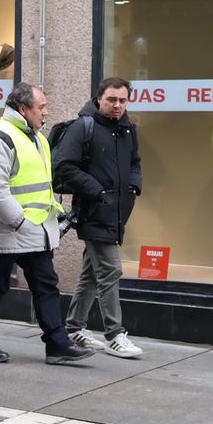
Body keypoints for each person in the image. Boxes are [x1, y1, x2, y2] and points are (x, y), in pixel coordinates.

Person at [0, 82, 94, 366]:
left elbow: (38, 186)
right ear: (23, 109)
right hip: (9, 229)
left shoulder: (34, 137)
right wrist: (19, 221)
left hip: (32, 230)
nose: (46, 113)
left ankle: (57, 343)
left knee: (46, 284)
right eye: (41, 107)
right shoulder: (0, 137)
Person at [56, 77, 144, 358]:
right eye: (112, 100)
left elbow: (135, 163)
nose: (118, 106)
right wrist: (97, 191)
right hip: (94, 210)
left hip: (118, 210)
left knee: (92, 273)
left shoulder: (128, 129)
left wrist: (134, 186)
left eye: (123, 100)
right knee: (110, 270)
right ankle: (115, 334)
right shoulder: (84, 127)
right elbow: (64, 166)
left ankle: (74, 327)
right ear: (98, 99)